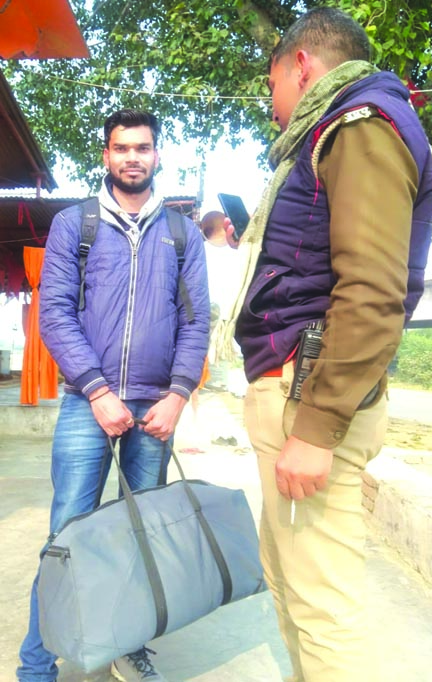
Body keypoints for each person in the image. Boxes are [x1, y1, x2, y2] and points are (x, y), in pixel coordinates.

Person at [219, 8, 432, 682]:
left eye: (272, 84)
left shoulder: (360, 125)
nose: (272, 105)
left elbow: (373, 290)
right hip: (298, 390)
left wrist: (315, 427)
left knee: (323, 612)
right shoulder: (341, 128)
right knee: (293, 588)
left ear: (301, 65)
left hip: (308, 399)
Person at [17, 109, 210, 682]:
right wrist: (98, 390)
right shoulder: (75, 225)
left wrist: (178, 395)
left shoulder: (182, 234)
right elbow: (54, 315)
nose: (132, 157)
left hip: (156, 409)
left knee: (141, 533)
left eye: (142, 148)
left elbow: (196, 321)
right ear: (106, 155)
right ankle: (37, 666)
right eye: (121, 148)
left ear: (157, 156)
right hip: (87, 405)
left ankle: (128, 644)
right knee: (68, 535)